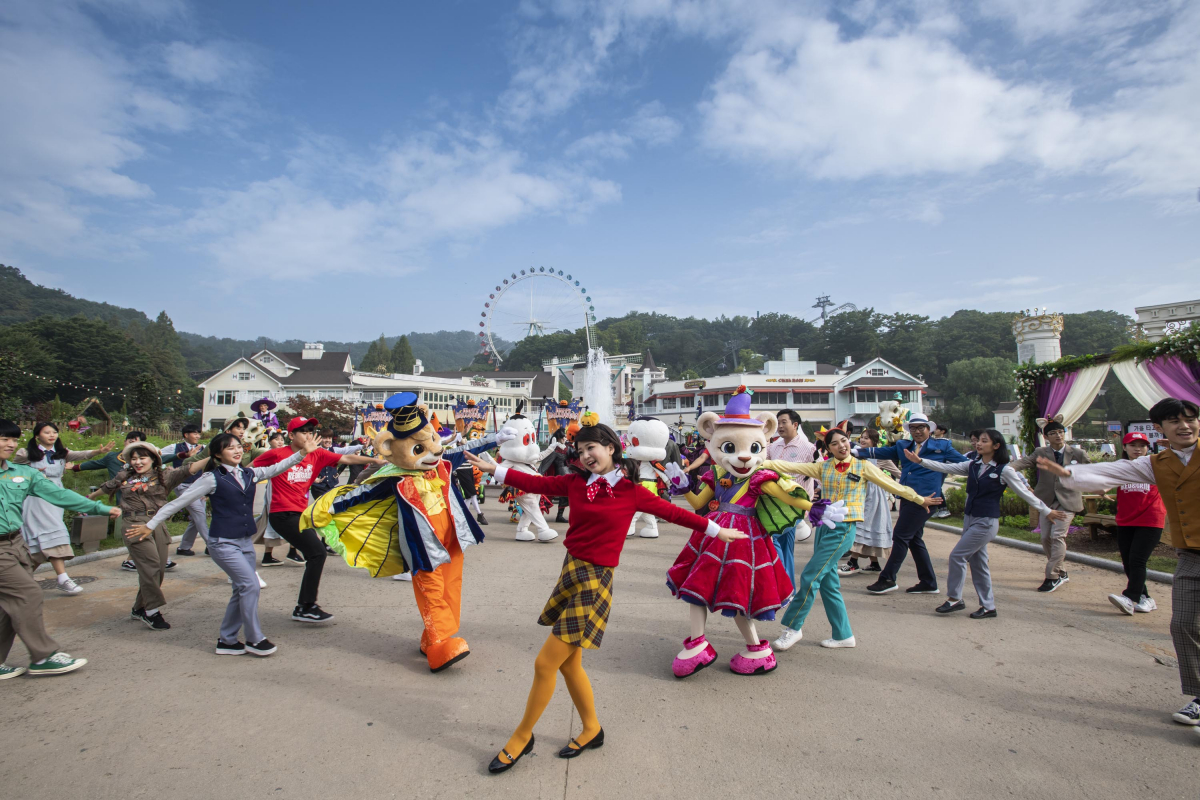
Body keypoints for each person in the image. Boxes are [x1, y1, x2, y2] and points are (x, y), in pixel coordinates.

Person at [464, 420, 741, 773]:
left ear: (611, 447)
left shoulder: (632, 490)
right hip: (571, 571)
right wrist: (496, 469)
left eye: (591, 448)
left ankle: (522, 735)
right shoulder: (576, 482)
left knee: (545, 663)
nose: (585, 456)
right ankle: (592, 728)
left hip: (596, 580)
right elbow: (537, 482)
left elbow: (675, 513)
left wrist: (718, 530)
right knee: (569, 663)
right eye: (580, 451)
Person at [1035, 398, 1199, 740]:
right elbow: (1115, 471)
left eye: (1190, 419)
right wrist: (1071, 473)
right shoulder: (1157, 462)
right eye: (1174, 421)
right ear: (1160, 429)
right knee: (1184, 623)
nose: (1184, 426)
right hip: (1191, 555)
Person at [128, 433, 316, 657]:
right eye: (230, 448)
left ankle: (227, 640)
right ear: (217, 454)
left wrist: (302, 454)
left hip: (244, 542)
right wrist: (150, 525)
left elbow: (277, 467)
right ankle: (255, 639)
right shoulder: (211, 478)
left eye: (239, 447)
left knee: (241, 589)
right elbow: (179, 502)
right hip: (223, 543)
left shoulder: (249, 473)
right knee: (250, 586)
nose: (237, 451)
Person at [766, 427, 940, 651]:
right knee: (828, 583)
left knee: (810, 576)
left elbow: (892, 485)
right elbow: (788, 466)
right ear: (827, 448)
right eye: (835, 443)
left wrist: (918, 499)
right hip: (823, 529)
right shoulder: (823, 467)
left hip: (843, 529)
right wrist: (760, 462)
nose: (842, 446)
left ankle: (793, 627)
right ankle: (843, 635)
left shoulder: (863, 466)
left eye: (844, 441)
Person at [0, 419, 121, 679]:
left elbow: (60, 495)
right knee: (28, 594)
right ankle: (42, 656)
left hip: (16, 543)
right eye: (3, 439)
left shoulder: (22, 473)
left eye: (13, 439)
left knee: (7, 605)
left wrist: (99, 508)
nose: (10, 444)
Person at [905, 429, 1063, 619]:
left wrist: (1046, 511)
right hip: (970, 519)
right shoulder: (973, 465)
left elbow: (1025, 493)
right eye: (978, 441)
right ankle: (988, 607)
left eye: (984, 441)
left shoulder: (1004, 470)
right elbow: (946, 468)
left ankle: (955, 598)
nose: (978, 444)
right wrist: (920, 461)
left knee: (957, 556)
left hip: (986, 522)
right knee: (979, 564)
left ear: (996, 446)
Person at [251, 416, 382, 623]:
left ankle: (305, 606)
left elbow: (346, 459)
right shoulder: (277, 454)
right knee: (317, 553)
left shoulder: (318, 453)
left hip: (300, 514)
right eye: (303, 431)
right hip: (282, 514)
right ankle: (306, 606)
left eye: (311, 431)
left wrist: (375, 460)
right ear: (291, 435)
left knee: (316, 554)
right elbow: (248, 471)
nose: (309, 435)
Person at [87, 442, 205, 630]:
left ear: (153, 459)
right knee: (149, 565)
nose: (137, 462)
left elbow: (190, 468)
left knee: (158, 569)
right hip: (133, 524)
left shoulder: (165, 475)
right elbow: (107, 487)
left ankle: (139, 608)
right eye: (134, 459)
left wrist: (215, 455)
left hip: (157, 522)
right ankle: (152, 612)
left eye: (142, 458)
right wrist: (88, 499)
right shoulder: (124, 476)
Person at [853, 413, 967, 595]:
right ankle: (928, 582)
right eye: (913, 428)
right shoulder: (904, 445)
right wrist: (857, 452)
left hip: (926, 499)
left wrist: (984, 465)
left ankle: (888, 578)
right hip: (907, 496)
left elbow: (964, 464)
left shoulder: (942, 446)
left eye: (921, 427)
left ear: (929, 429)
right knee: (914, 539)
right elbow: (880, 452)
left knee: (900, 536)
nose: (917, 431)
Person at [13, 423, 114, 595]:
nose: (52, 435)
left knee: (40, 539)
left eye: (54, 432)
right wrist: (32, 472)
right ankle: (63, 578)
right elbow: (13, 469)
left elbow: (81, 454)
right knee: (53, 530)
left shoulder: (61, 453)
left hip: (57, 497)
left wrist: (99, 451)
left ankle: (21, 578)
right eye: (47, 432)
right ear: (37, 435)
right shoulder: (26, 453)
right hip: (36, 497)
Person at [1009, 420, 1091, 593]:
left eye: (1061, 432)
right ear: (1046, 437)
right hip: (1046, 502)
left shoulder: (1078, 453)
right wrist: (1007, 469)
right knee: (1045, 537)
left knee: (1057, 536)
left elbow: (1093, 472)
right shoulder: (1041, 452)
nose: (1058, 435)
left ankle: (1052, 576)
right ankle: (1061, 571)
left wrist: (1101, 486)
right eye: (1053, 433)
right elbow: (1024, 463)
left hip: (1068, 502)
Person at [1102, 432, 1166, 616]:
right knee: (1128, 562)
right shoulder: (1121, 467)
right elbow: (1108, 482)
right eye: (1133, 445)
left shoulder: (1156, 465)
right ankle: (1146, 598)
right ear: (1125, 447)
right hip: (1126, 520)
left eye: (1142, 445)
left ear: (1148, 447)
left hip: (1151, 519)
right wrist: (1101, 488)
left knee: (1138, 560)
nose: (1138, 449)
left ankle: (1130, 598)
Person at [764, 408, 818, 596]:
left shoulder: (808, 448)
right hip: (773, 503)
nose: (779, 426)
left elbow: (818, 470)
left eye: (784, 422)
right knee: (782, 544)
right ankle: (786, 587)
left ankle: (785, 588)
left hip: (794, 505)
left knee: (779, 542)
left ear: (795, 425)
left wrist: (817, 492)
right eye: (778, 422)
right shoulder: (774, 447)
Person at [840, 428, 900, 576]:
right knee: (865, 527)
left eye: (866, 438)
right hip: (858, 494)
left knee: (862, 526)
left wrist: (910, 485)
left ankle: (853, 563)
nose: (862, 440)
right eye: (862, 437)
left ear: (874, 441)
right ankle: (874, 563)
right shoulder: (855, 453)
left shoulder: (879, 456)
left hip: (873, 497)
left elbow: (898, 472)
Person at [162, 424, 209, 557]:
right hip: (183, 486)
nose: (197, 436)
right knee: (199, 514)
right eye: (194, 433)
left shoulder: (203, 449)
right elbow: (158, 455)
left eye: (198, 433)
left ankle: (184, 547)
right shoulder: (174, 448)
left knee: (196, 519)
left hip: (199, 486)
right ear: (186, 435)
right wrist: (168, 470)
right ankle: (212, 546)